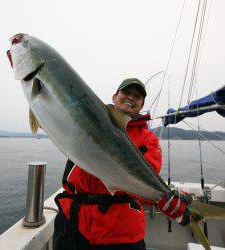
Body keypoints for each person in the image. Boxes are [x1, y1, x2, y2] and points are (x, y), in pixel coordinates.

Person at [53, 78, 191, 250]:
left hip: (120, 232)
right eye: (126, 93)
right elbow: (55, 117)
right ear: (114, 96)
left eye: (137, 96)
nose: (131, 98)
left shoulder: (148, 140)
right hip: (73, 222)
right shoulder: (88, 118)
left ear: (141, 106)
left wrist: (164, 197)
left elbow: (146, 182)